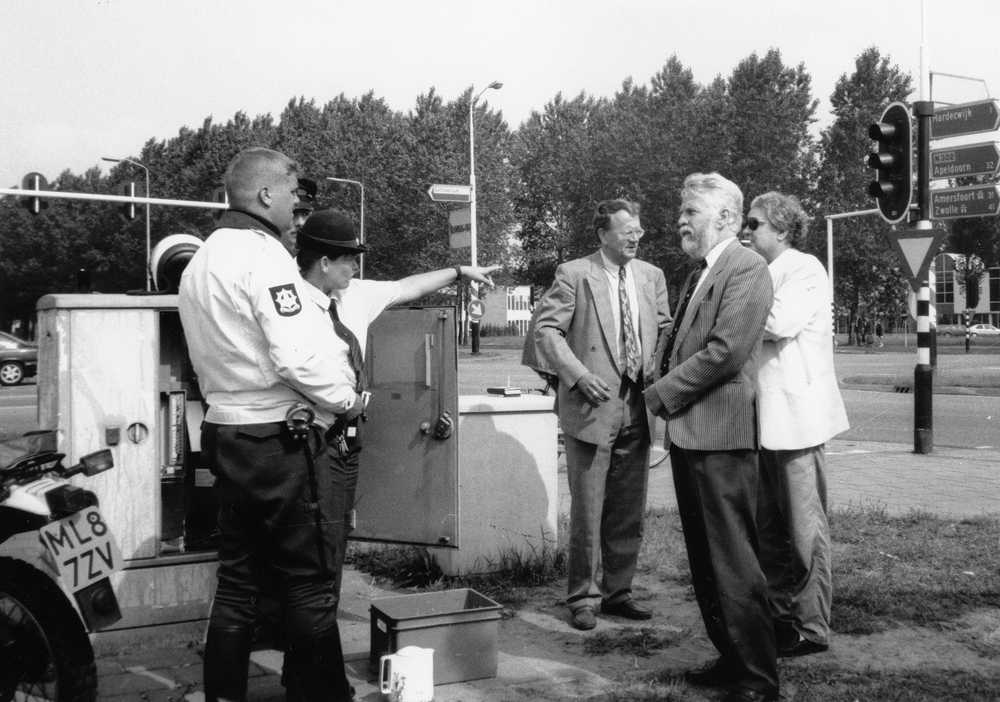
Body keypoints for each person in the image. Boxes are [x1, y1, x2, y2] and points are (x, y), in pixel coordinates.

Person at [179, 147, 359, 702]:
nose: (297, 206)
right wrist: (347, 401)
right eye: (292, 193)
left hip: (224, 431)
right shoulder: (266, 259)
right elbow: (298, 358)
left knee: (238, 582)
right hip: (277, 441)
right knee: (309, 580)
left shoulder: (199, 262)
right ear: (265, 194)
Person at [293, 208, 500, 603]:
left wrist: (459, 271)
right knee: (309, 534)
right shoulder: (287, 303)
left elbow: (408, 287)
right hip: (309, 436)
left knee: (335, 532)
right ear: (324, 262)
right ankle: (305, 615)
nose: (356, 267)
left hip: (345, 436)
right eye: (350, 259)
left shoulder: (354, 294)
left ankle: (322, 613)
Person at [644, 173, 778, 702]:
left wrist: (659, 394)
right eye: (681, 211)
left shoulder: (746, 267)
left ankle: (758, 680)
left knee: (733, 563)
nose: (680, 221)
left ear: (725, 217)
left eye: (690, 212)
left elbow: (726, 352)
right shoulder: (699, 273)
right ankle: (731, 659)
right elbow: (681, 343)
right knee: (706, 560)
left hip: (721, 438)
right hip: (691, 437)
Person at [530, 199, 671, 631]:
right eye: (627, 231)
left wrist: (661, 374)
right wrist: (577, 376)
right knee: (589, 507)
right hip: (591, 407)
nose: (635, 238)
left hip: (639, 404)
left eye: (639, 231)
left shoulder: (651, 276)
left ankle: (618, 592)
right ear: (602, 235)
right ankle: (583, 597)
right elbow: (546, 330)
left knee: (629, 506)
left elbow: (665, 329)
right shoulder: (574, 273)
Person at [744, 192, 850, 660]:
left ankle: (812, 626)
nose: (746, 231)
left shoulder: (805, 268)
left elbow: (777, 322)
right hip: (764, 421)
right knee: (768, 529)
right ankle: (779, 617)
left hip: (797, 420)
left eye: (755, 223)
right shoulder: (762, 272)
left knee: (806, 532)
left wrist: (730, 312)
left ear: (783, 230)